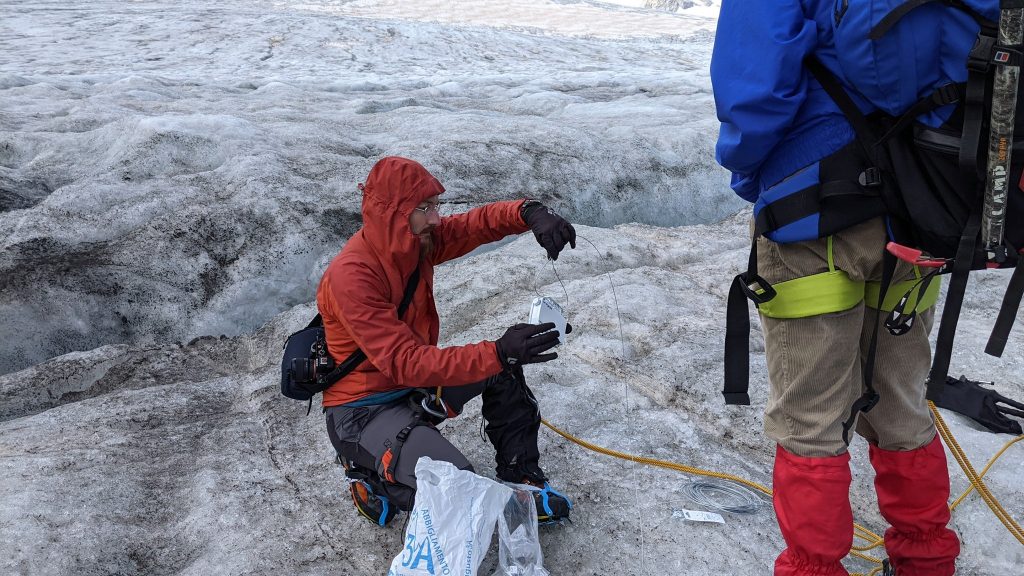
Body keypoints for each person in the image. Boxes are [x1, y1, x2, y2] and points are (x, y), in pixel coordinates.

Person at [710, 1, 997, 574]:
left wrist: (753, 175)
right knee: (900, 400)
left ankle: (815, 567)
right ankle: (925, 561)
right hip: (925, 205)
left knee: (810, 419)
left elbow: (755, 91)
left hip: (811, 205)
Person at [318, 156, 577, 527]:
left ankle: (520, 478)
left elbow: (473, 226)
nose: (436, 218)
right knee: (453, 486)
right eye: (424, 208)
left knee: (500, 369)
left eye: (435, 206)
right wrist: (498, 350)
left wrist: (529, 213)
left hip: (411, 387)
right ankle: (369, 475)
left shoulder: (415, 242)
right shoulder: (352, 277)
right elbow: (405, 361)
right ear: (391, 214)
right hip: (363, 409)